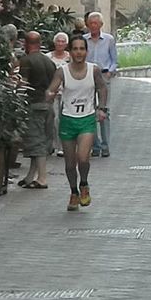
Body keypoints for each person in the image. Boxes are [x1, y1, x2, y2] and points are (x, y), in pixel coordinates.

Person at [45, 36, 108, 211]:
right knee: (70, 163)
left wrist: (102, 108)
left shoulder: (93, 70)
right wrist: (49, 95)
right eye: (75, 49)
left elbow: (102, 87)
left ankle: (84, 184)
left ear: (86, 52)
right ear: (70, 52)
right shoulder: (62, 71)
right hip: (67, 119)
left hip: (87, 119)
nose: (79, 52)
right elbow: (51, 89)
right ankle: (73, 192)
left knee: (83, 158)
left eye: (82, 49)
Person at [18, 31, 57, 188]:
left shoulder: (26, 61)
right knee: (41, 139)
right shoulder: (49, 62)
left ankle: (42, 178)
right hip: (48, 105)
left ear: (26, 44)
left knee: (36, 141)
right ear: (40, 43)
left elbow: (23, 84)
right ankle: (30, 177)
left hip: (33, 105)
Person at [84, 12, 117, 158]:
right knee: (90, 111)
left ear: (101, 25)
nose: (93, 26)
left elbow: (114, 58)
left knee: (104, 110)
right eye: (90, 23)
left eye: (95, 23)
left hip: (103, 75)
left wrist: (110, 72)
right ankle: (95, 145)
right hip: (88, 75)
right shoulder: (84, 40)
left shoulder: (109, 39)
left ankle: (105, 145)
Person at [46, 32, 71, 157]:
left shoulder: (70, 57)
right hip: (53, 93)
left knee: (65, 119)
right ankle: (52, 145)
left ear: (66, 44)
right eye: (58, 41)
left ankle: (63, 147)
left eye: (63, 41)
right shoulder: (48, 57)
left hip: (68, 92)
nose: (60, 43)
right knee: (53, 119)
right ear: (54, 42)